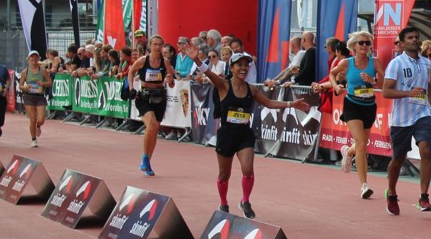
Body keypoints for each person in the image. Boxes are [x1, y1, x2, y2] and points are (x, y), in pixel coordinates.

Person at [186, 44, 309, 217]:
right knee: (224, 174)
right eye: (240, 65)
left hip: (244, 134)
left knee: (248, 169)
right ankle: (223, 203)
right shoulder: (223, 85)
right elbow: (208, 72)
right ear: (232, 67)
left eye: (246, 65)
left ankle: (245, 201)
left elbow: (269, 103)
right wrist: (196, 59)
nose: (243, 68)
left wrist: (291, 104)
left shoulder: (251, 89)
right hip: (226, 134)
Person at [382, 27, 431, 216]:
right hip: (401, 119)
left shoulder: (426, 63)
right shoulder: (396, 64)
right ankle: (391, 192)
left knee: (425, 149)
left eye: (417, 37)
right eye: (410, 37)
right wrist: (408, 93)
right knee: (398, 159)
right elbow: (386, 91)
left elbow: (428, 88)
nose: (414, 40)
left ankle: (424, 196)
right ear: (402, 42)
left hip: (422, 113)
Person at [332, 31, 385, 199]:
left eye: (367, 43)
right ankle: (364, 185)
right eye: (361, 43)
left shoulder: (374, 62)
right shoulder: (346, 63)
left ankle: (348, 152)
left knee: (362, 143)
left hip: (369, 105)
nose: (364, 46)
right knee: (362, 142)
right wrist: (336, 86)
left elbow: (386, 83)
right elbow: (332, 74)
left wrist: (373, 80)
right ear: (354, 46)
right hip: (352, 104)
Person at [127, 35, 176, 176]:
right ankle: (144, 158)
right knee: (152, 125)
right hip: (144, 98)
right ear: (150, 46)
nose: (157, 47)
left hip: (160, 97)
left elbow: (171, 78)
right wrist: (131, 88)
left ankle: (147, 162)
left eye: (160, 44)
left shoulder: (165, 62)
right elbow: (131, 72)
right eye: (155, 44)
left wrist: (170, 80)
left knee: (154, 130)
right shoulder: (143, 61)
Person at [18, 50, 52, 147]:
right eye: (32, 57)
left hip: (40, 97)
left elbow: (50, 82)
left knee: (41, 119)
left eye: (36, 57)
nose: (34, 59)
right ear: (28, 59)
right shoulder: (25, 71)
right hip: (29, 97)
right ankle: (33, 140)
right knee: (33, 118)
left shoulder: (43, 70)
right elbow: (20, 85)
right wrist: (25, 87)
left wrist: (43, 83)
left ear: (38, 58)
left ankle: (38, 126)